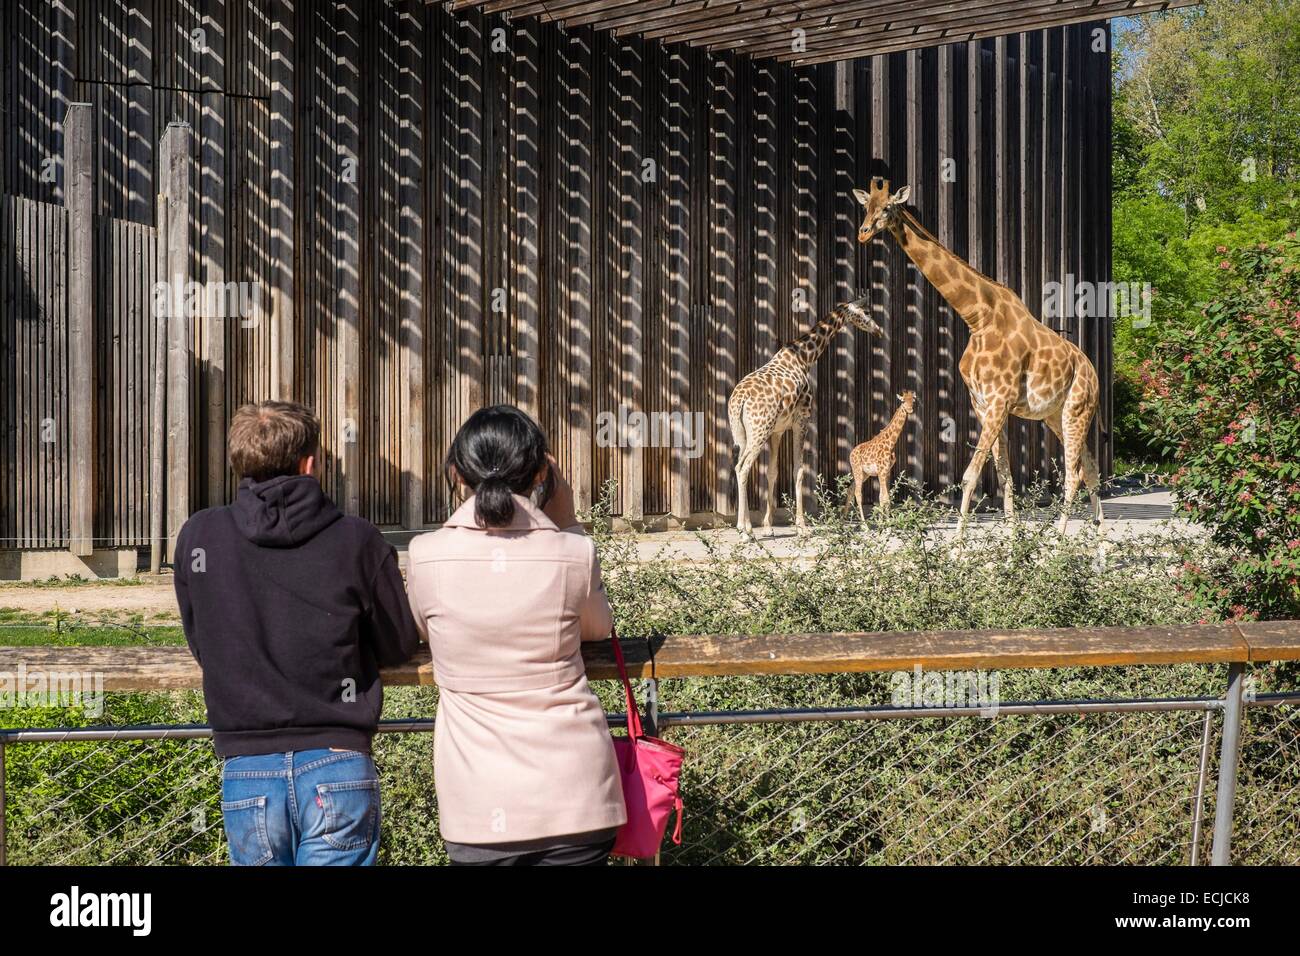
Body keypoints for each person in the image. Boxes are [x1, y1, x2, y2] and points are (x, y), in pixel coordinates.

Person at [174, 400, 422, 865]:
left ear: (238, 461)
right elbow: (398, 643)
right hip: (338, 757)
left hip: (246, 766)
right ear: (310, 463)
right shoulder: (358, 539)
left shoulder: (200, 536)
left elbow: (201, 640)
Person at [406, 404, 626, 866]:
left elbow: (424, 631)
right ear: (544, 472)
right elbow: (598, 627)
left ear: (455, 474)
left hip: (478, 806)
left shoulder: (425, 557)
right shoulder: (574, 554)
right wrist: (566, 522)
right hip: (578, 801)